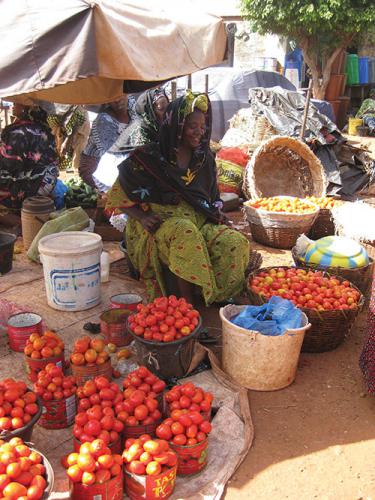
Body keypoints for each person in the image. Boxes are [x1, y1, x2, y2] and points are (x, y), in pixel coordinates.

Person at [106, 91, 250, 305]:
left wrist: (216, 211)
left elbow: (210, 197)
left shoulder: (204, 159)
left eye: (202, 126)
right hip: (159, 226)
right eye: (192, 126)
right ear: (177, 124)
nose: (199, 132)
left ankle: (214, 296)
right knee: (185, 232)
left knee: (235, 241)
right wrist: (142, 217)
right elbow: (116, 196)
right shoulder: (148, 158)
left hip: (199, 221)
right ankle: (187, 305)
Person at [0, 103, 59, 211]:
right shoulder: (45, 129)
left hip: (28, 189)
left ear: (28, 108)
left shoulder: (17, 131)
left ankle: (18, 215)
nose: (13, 105)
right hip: (46, 183)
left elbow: (9, 164)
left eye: (16, 103)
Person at [79, 94, 136, 188]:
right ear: (107, 101)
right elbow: (116, 156)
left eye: (120, 94)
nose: (117, 100)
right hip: (95, 165)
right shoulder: (104, 121)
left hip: (122, 159)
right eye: (113, 97)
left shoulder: (132, 106)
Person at [46, 104, 90, 171]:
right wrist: (67, 139)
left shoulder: (56, 151)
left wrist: (62, 138)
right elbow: (79, 133)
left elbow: (57, 133)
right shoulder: (76, 153)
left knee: (51, 118)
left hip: (66, 126)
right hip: (76, 125)